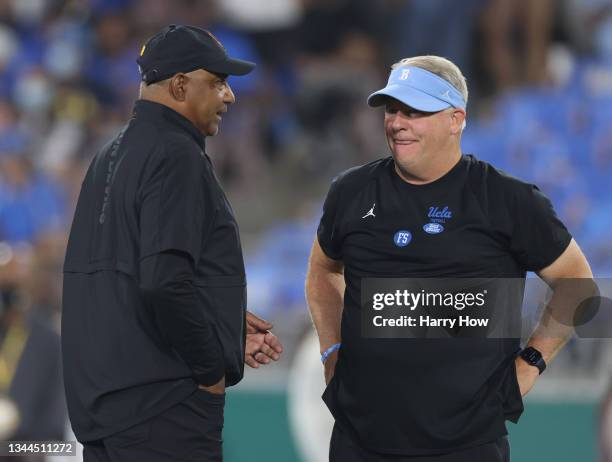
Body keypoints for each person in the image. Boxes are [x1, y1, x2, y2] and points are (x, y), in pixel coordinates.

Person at [306, 55, 593, 461]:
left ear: (456, 119)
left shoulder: (508, 200)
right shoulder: (351, 192)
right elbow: (322, 270)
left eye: (415, 111)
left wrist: (530, 363)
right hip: (361, 439)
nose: (397, 122)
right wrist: (331, 351)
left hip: (466, 444)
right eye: (392, 110)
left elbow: (577, 283)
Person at [62, 24, 283, 462]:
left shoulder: (110, 154)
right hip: (164, 411)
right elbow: (163, 282)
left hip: (108, 414)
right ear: (180, 85)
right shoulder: (176, 155)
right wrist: (208, 367)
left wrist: (222, 326)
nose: (229, 96)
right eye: (218, 82)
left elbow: (121, 282)